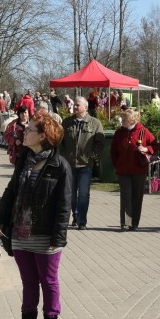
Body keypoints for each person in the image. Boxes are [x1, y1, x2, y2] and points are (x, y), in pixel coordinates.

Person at [0, 113, 70, 319]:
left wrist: (58, 237)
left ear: (43, 136)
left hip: (45, 234)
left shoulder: (60, 166)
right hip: (20, 231)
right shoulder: (24, 158)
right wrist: (1, 216)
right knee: (28, 282)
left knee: (48, 282)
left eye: (30, 130)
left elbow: (64, 205)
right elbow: (11, 190)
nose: (24, 132)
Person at [59, 96, 104, 230]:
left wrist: (92, 155)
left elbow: (100, 143)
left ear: (85, 107)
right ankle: (76, 215)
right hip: (69, 164)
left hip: (86, 165)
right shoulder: (66, 122)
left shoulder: (95, 123)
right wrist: (63, 156)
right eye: (75, 105)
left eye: (78, 105)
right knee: (71, 193)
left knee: (84, 194)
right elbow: (60, 141)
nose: (75, 107)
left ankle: (82, 221)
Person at [110, 109, 159, 231]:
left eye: (124, 119)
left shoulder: (143, 131)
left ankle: (135, 223)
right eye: (122, 119)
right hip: (123, 170)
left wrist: (146, 149)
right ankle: (126, 223)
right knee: (126, 196)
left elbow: (155, 145)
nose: (122, 121)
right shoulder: (119, 133)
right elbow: (113, 151)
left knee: (137, 197)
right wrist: (117, 164)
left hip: (139, 169)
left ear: (132, 120)